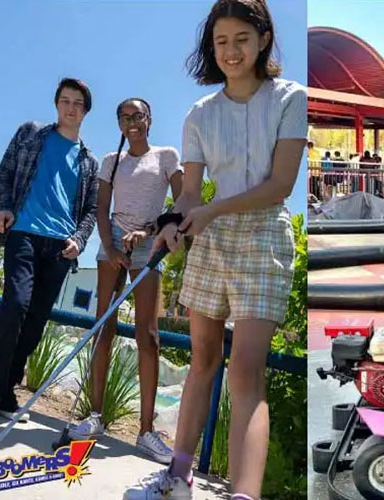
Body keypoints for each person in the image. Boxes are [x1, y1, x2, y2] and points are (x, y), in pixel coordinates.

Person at [123, 1, 305, 498]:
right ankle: (176, 479)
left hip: (264, 235)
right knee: (202, 360)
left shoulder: (290, 97)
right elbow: (189, 194)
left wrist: (208, 212)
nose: (231, 51)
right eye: (221, 41)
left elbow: (280, 186)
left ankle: (244, 494)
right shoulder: (199, 114)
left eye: (241, 39)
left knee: (245, 372)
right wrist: (174, 224)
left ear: (263, 39)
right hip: (210, 239)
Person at [66, 98, 183, 464]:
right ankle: (95, 416)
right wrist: (110, 246)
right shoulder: (110, 161)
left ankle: (146, 432)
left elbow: (181, 204)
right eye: (124, 117)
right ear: (118, 124)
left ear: (149, 118)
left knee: (148, 334)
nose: (132, 122)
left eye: (138, 116)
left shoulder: (166, 156)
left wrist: (148, 230)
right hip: (112, 239)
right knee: (103, 326)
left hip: (149, 241)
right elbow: (100, 208)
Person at [0, 78, 100, 424]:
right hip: (23, 233)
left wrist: (79, 240)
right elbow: (3, 174)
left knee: (35, 323)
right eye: (65, 101)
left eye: (77, 103)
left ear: (85, 111)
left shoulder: (89, 162)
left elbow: (92, 210)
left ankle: (5, 393)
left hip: (60, 249)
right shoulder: (31, 134)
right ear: (56, 105)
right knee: (14, 307)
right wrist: (1, 207)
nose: (70, 107)